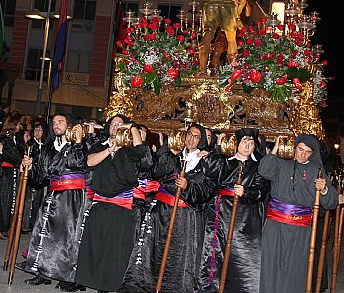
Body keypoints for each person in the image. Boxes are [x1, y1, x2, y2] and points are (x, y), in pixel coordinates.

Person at [121, 124, 215, 293]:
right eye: (189, 135)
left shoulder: (206, 162)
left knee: (177, 256)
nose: (191, 139)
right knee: (152, 250)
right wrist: (169, 153)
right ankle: (145, 285)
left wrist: (188, 186)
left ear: (201, 141)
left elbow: (207, 190)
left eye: (196, 136)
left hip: (183, 215)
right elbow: (156, 172)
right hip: (161, 211)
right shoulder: (174, 155)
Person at [258, 133, 338, 293]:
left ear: (312, 154)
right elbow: (264, 171)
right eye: (300, 149)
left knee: (295, 269)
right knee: (271, 266)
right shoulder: (281, 163)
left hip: (301, 230)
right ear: (295, 148)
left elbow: (331, 202)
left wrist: (324, 189)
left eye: (307, 152)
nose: (303, 154)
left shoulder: (317, 170)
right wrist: (274, 150)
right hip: (276, 226)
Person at [74, 115, 145, 292]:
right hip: (99, 203)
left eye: (120, 124)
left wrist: (133, 127)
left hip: (120, 204)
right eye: (113, 124)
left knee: (114, 249)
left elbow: (140, 151)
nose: (116, 127)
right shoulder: (100, 146)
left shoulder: (129, 149)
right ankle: (90, 280)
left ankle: (108, 285)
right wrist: (108, 150)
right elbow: (89, 163)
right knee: (95, 245)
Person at [20, 114, 89, 292]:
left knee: (69, 236)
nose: (56, 125)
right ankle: (43, 272)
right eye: (54, 123)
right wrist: (29, 166)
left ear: (70, 125)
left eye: (61, 122)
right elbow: (40, 178)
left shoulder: (78, 145)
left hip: (72, 196)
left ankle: (69, 277)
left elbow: (77, 163)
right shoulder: (48, 148)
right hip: (52, 194)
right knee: (44, 232)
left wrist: (78, 142)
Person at [199, 128, 269, 292]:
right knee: (216, 253)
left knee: (243, 255)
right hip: (221, 213)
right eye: (244, 142)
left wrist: (246, 192)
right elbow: (210, 170)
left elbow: (261, 189)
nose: (247, 146)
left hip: (245, 216)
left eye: (251, 143)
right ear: (237, 143)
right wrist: (216, 147)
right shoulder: (226, 161)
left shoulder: (257, 166)